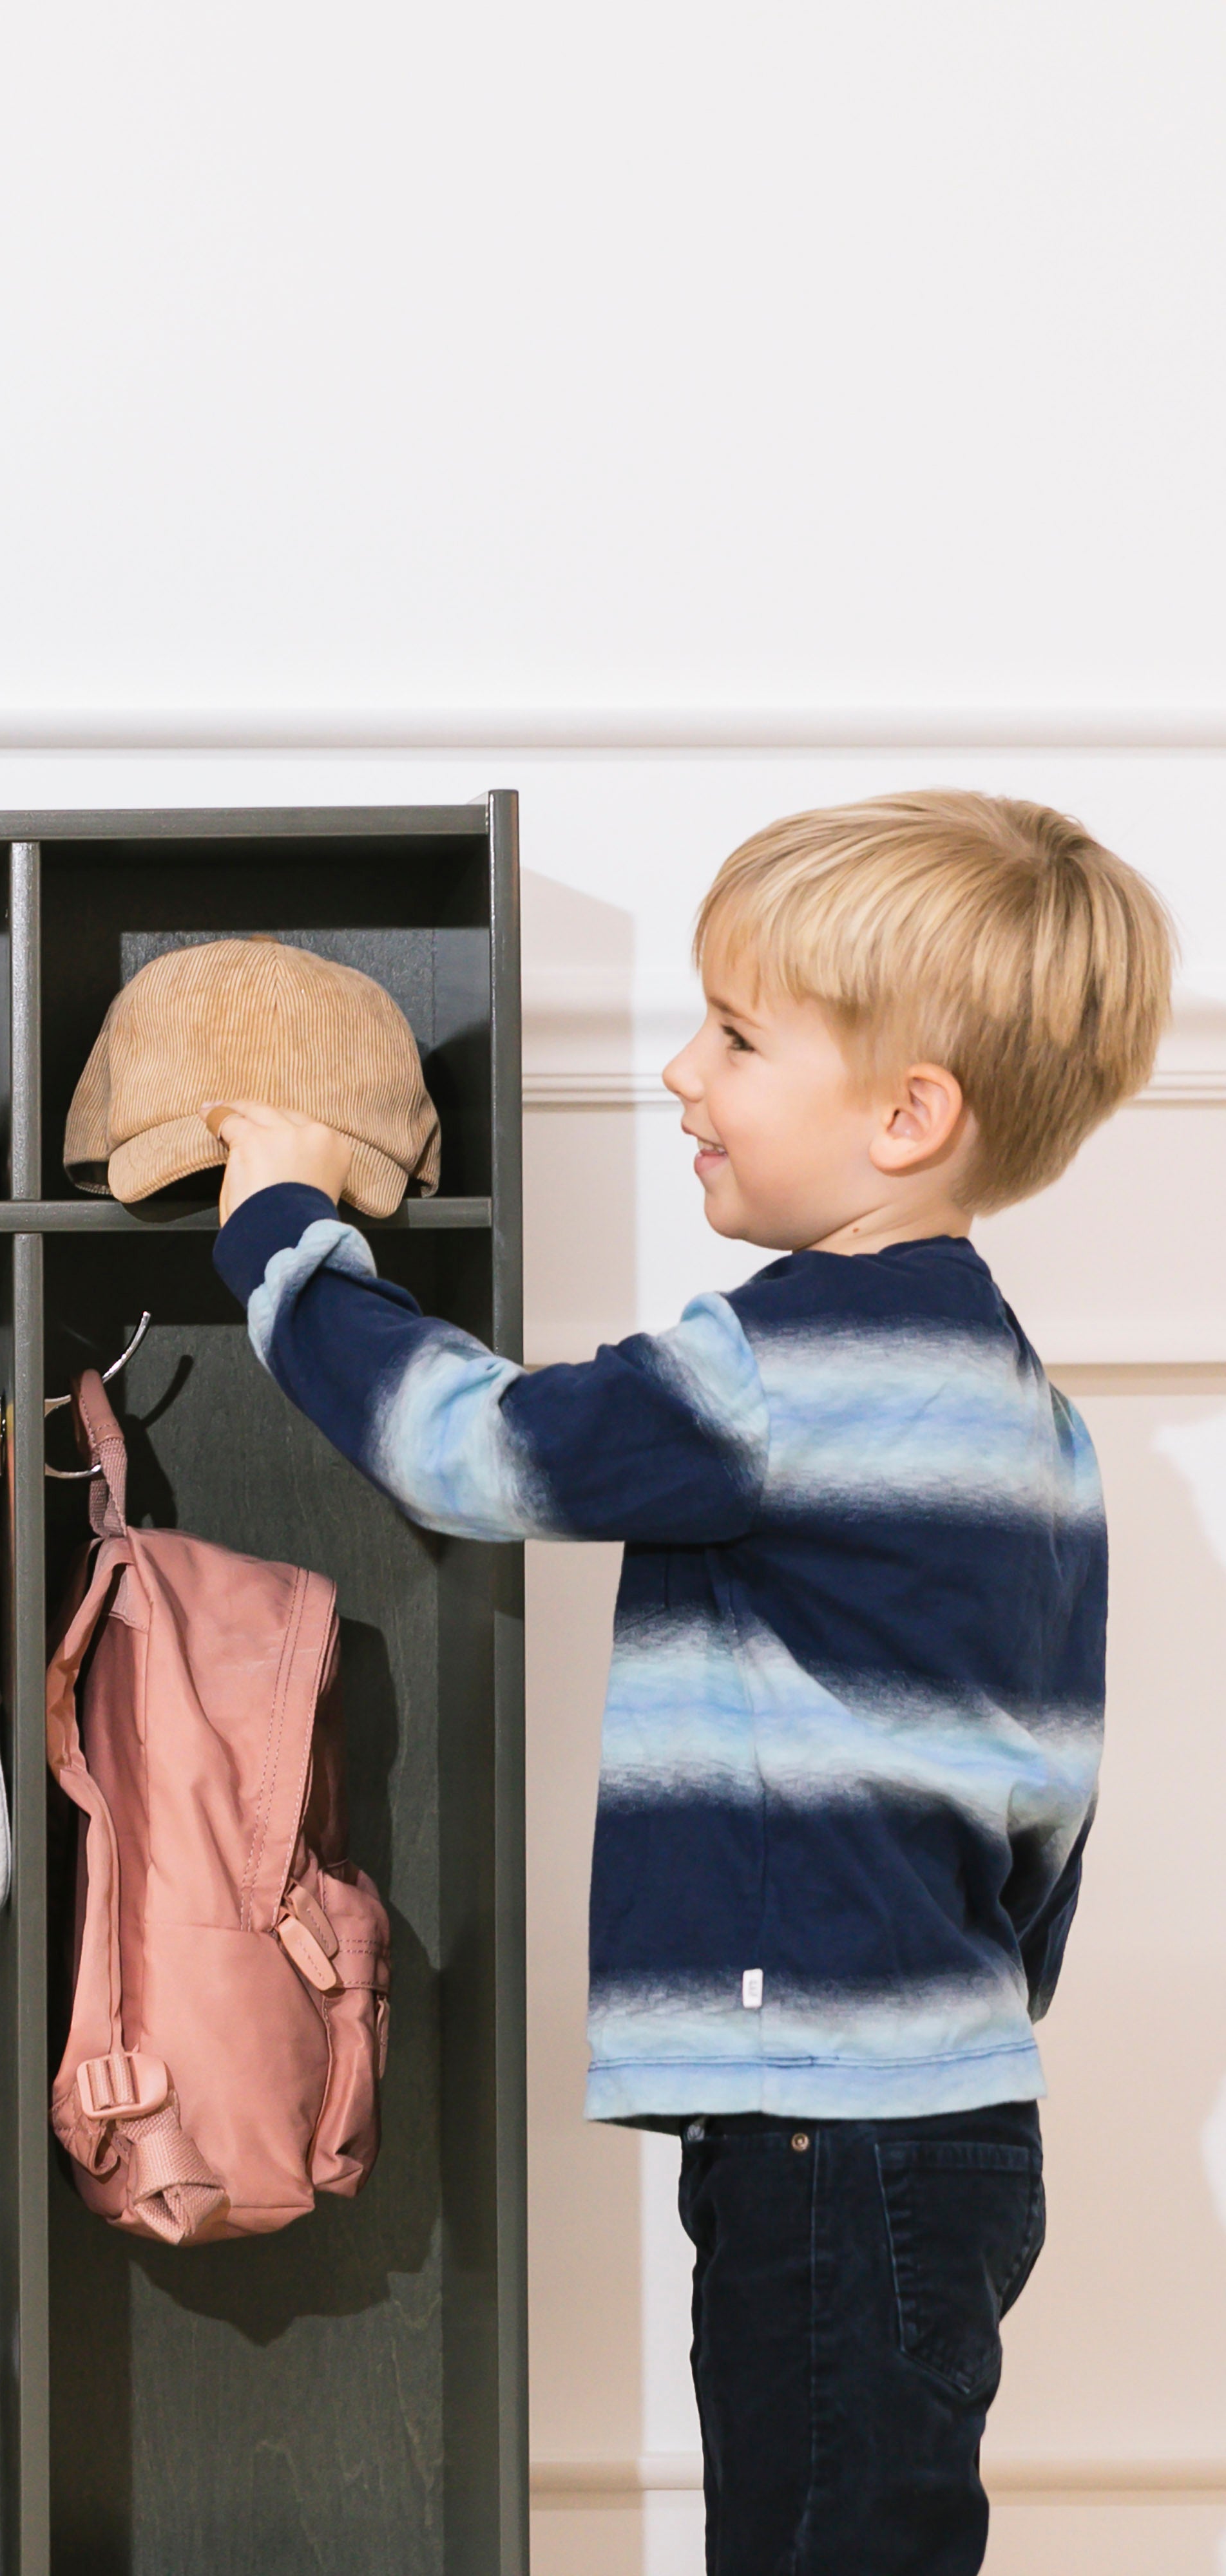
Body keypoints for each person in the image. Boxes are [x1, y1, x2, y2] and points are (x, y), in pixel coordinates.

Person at [204, 791, 1174, 2576]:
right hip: (943, 2124)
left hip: (827, 2136)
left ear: (909, 1116)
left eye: (734, 1036)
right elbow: (1051, 1807)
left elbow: (481, 1451)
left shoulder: (780, 1368)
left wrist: (281, 1238)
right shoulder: (1029, 1417)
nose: (675, 1074)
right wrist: (942, 2002)